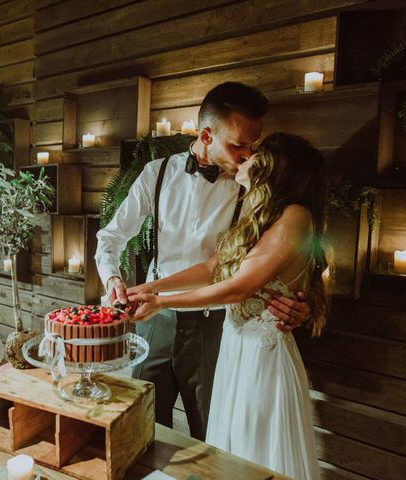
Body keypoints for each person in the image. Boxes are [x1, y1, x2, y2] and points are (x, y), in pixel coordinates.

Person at [94, 82, 310, 440]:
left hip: (216, 325)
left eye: (252, 146)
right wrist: (113, 280)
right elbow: (111, 236)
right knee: (144, 427)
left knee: (213, 435)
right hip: (154, 322)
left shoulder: (253, 186)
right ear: (206, 134)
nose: (246, 155)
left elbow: (281, 256)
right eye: (238, 144)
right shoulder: (156, 173)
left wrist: (303, 302)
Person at [128, 132, 328, 479]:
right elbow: (211, 269)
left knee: (255, 450)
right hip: (235, 350)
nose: (246, 156)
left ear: (272, 167)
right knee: (230, 448)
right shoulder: (258, 213)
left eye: (255, 153)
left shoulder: (295, 216)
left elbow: (239, 288)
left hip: (262, 359)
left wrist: (162, 302)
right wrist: (150, 287)